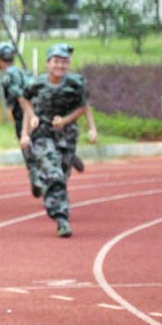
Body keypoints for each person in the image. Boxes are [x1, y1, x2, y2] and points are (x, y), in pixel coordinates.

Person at [20, 43, 97, 237]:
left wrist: (82, 125)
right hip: (43, 134)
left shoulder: (76, 83)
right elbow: (24, 100)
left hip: (67, 136)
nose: (60, 66)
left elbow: (83, 106)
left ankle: (67, 162)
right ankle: (61, 218)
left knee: (61, 175)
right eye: (56, 62)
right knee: (53, 174)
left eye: (64, 62)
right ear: (48, 63)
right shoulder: (36, 83)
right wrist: (29, 125)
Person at [0, 42, 39, 196]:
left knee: (26, 144)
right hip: (38, 111)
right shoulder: (23, 71)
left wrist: (30, 115)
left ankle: (35, 177)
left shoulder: (8, 76)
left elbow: (21, 97)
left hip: (24, 115)